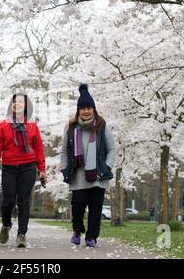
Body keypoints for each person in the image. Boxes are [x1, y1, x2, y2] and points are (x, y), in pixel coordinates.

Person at [61, 84, 116, 247]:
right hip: (78, 175)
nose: (86, 111)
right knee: (78, 204)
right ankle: (77, 230)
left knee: (96, 207)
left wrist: (107, 167)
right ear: (78, 110)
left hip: (98, 174)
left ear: (94, 109)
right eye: (83, 108)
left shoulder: (101, 126)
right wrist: (64, 167)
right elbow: (64, 150)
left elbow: (112, 148)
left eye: (89, 108)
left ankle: (91, 236)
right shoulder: (71, 128)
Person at [0, 93, 46, 248]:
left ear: (26, 106)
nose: (17, 103)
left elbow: (39, 149)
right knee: (8, 202)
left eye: (20, 101)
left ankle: (21, 234)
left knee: (24, 202)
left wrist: (42, 169)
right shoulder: (2, 125)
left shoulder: (32, 126)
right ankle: (6, 225)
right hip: (8, 168)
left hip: (28, 167)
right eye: (14, 101)